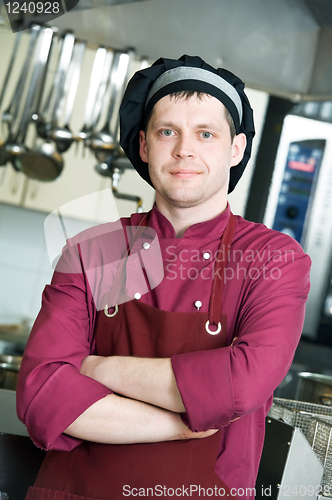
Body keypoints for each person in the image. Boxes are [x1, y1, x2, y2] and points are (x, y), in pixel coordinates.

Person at [16, 55, 311, 500]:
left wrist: (97, 367)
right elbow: (41, 396)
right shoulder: (93, 251)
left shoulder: (272, 258)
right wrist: (183, 422)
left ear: (236, 149)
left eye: (205, 134)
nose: (183, 150)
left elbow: (241, 384)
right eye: (167, 131)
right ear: (144, 145)